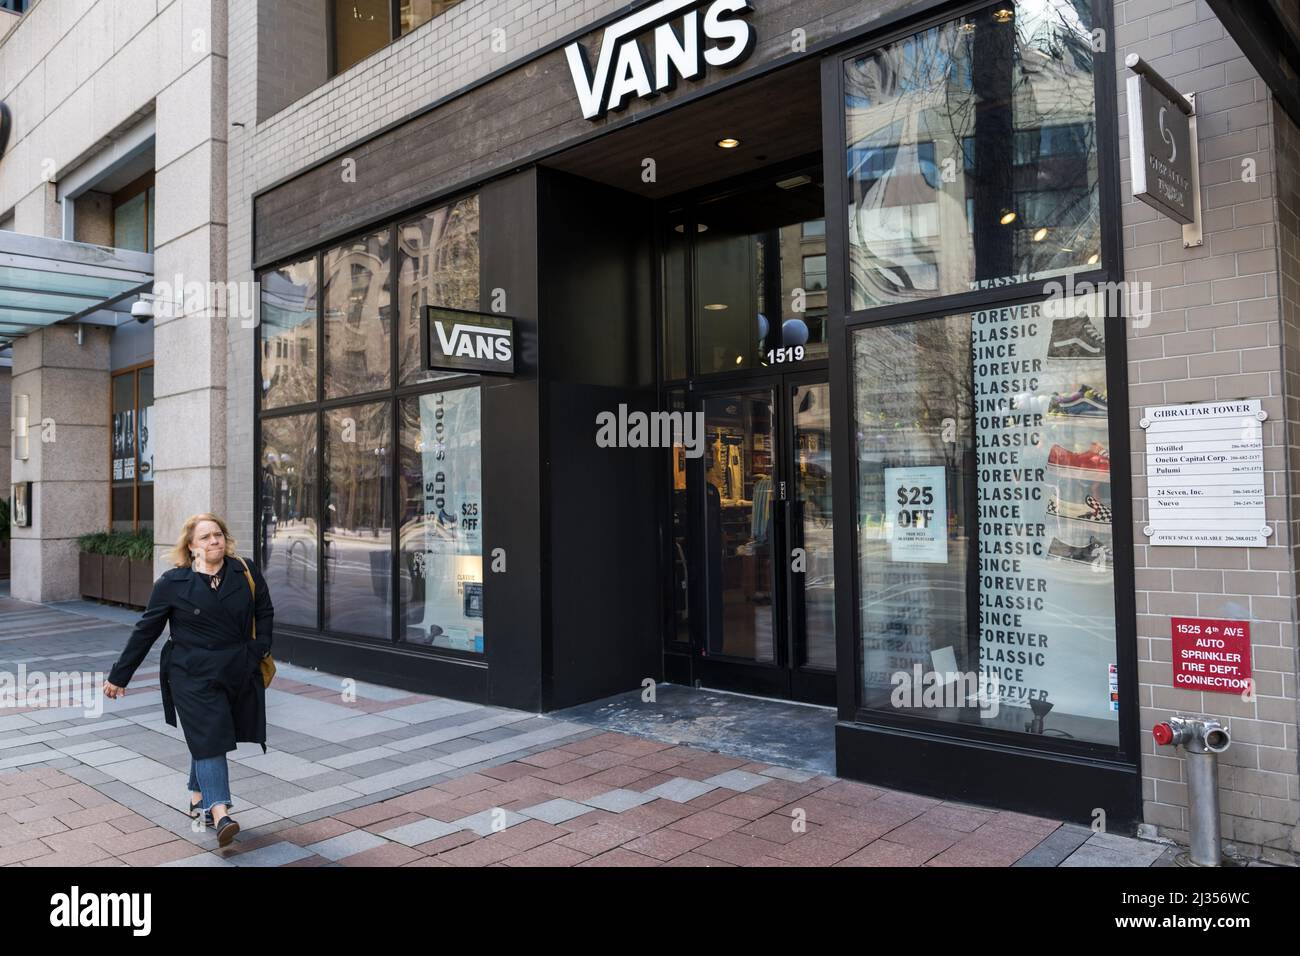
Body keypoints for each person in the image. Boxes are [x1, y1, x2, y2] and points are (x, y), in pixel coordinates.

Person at [102, 513, 273, 848]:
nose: (215, 541)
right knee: (211, 736)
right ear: (191, 546)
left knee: (209, 734)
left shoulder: (245, 571)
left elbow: (264, 611)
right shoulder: (173, 583)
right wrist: (119, 675)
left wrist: (257, 650)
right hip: (190, 674)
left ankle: (197, 796)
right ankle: (221, 812)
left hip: (235, 669)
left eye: (219, 534)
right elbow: (146, 631)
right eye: (206, 537)